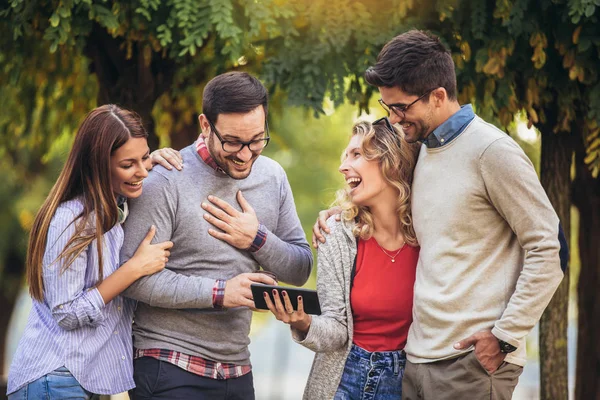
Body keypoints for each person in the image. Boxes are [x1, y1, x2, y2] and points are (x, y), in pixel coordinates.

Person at [314, 30, 568, 400]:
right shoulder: (423, 153)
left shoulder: (492, 151)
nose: (395, 119)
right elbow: (385, 195)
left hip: (470, 362)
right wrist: (339, 212)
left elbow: (550, 247)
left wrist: (505, 336)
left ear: (438, 96)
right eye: (388, 108)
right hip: (416, 360)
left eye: (401, 107)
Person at [120, 71, 313, 400]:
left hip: (237, 368)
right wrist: (221, 292)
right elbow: (132, 279)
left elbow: (300, 268)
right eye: (233, 142)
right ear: (205, 125)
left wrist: (258, 239)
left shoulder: (273, 177)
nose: (245, 154)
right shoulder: (166, 180)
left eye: (256, 140)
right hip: (168, 365)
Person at [7, 104, 182, 399]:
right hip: (55, 378)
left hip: (80, 380)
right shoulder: (72, 218)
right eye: (128, 164)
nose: (140, 171)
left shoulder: (114, 211)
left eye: (143, 157)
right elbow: (66, 312)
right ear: (98, 165)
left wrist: (154, 161)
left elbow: (137, 172)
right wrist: (134, 269)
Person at [267, 118, 420, 399]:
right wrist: (303, 323)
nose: (343, 166)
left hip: (410, 383)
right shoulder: (336, 234)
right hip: (345, 380)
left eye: (357, 154)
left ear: (391, 162)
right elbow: (336, 330)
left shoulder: (429, 234)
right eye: (345, 156)